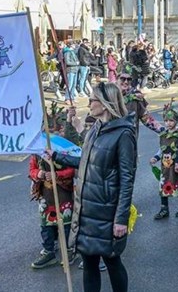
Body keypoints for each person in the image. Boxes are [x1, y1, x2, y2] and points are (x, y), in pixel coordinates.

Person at [49, 82, 136, 292]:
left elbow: (127, 180)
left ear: (105, 104)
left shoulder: (124, 134)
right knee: (89, 264)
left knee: (112, 261)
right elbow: (85, 160)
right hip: (87, 210)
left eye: (93, 100)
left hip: (107, 212)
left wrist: (121, 219)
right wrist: (55, 156)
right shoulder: (95, 128)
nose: (89, 103)